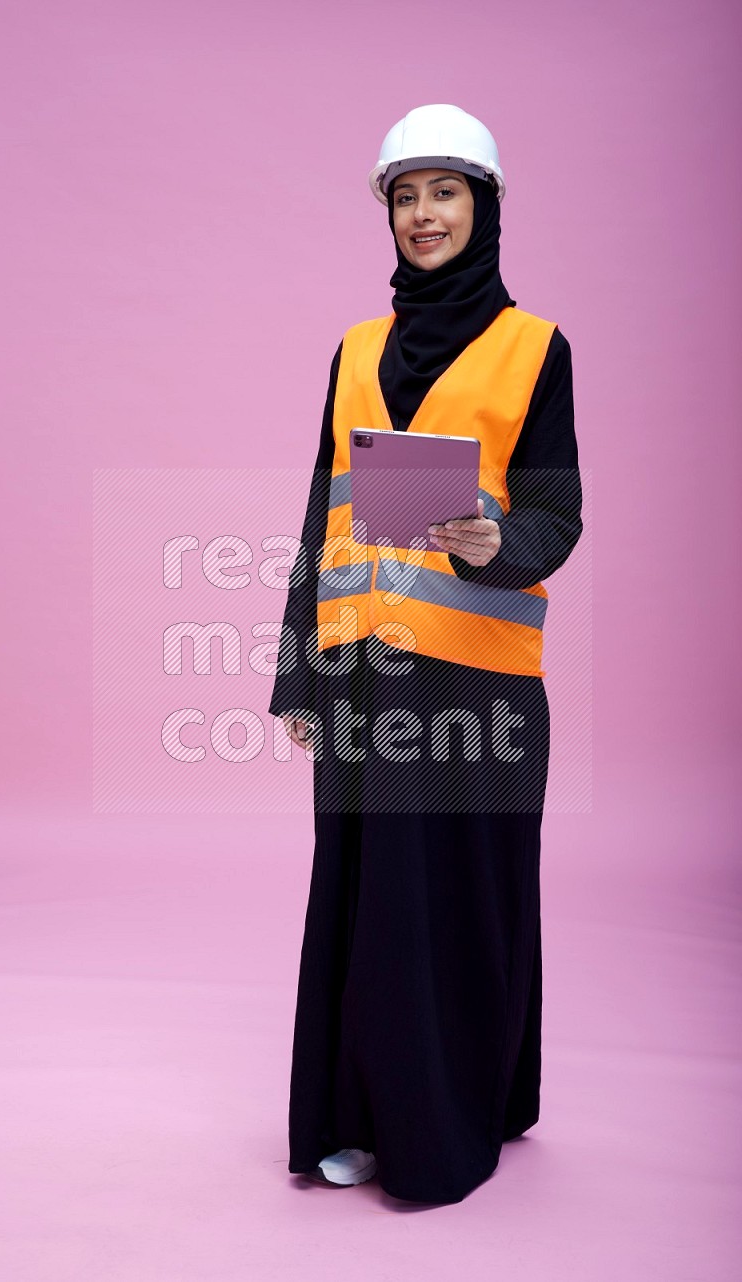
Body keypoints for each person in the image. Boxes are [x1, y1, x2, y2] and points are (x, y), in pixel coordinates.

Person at [268, 103, 583, 1205]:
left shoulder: (534, 348)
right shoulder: (353, 349)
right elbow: (323, 519)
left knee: (458, 904)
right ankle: (359, 1117)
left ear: (483, 205)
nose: (421, 214)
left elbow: (557, 514)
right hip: (363, 680)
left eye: (442, 191)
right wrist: (297, 674)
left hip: (478, 684)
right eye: (403, 196)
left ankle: (456, 1125)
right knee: (363, 903)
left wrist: (502, 540)